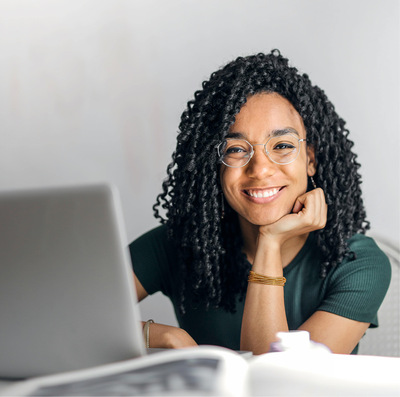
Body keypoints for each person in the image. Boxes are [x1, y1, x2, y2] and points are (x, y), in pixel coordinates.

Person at [129, 50, 391, 355]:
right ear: (214, 164)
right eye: (237, 150)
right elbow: (67, 315)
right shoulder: (179, 244)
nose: (261, 169)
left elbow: (279, 382)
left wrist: (270, 241)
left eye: (281, 145)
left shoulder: (356, 262)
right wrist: (161, 335)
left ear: (311, 159)